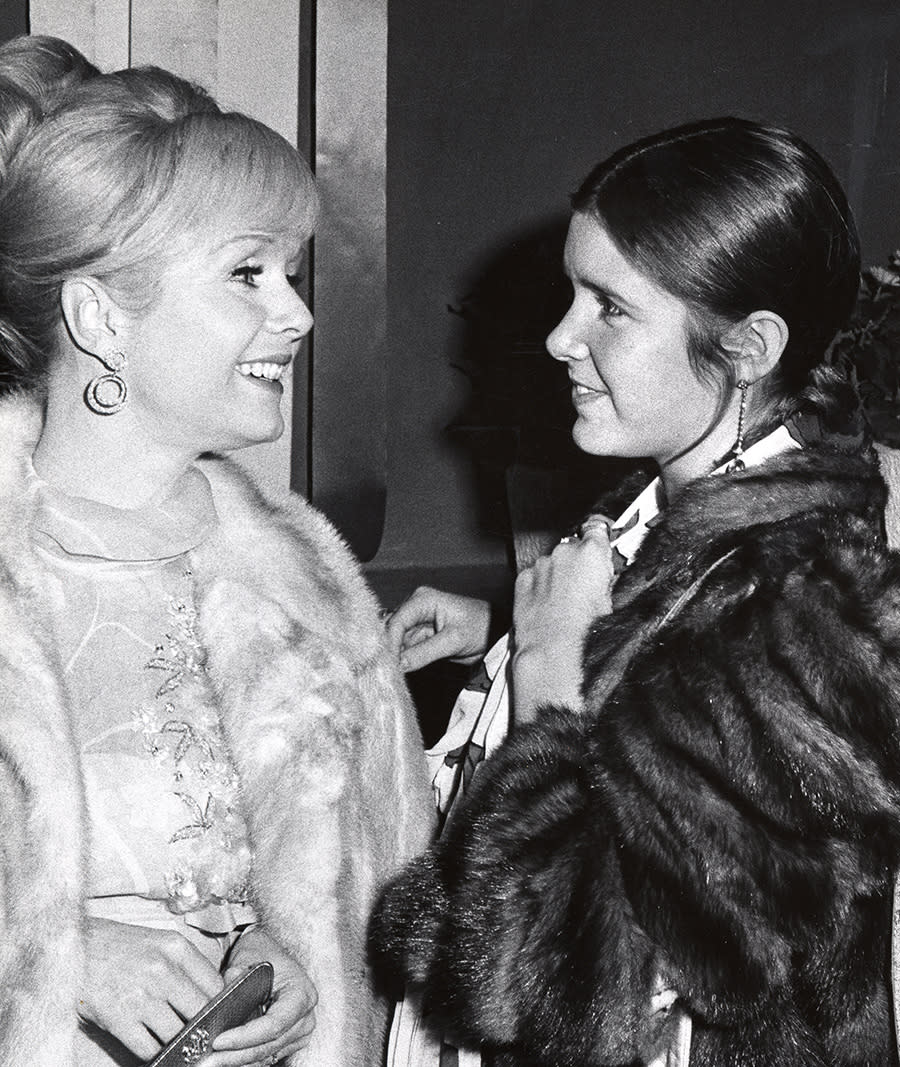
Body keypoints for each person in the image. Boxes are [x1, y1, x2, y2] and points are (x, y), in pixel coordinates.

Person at [373, 117, 900, 1066]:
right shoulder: (695, 495)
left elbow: (575, 1007)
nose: (559, 336)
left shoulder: (802, 612)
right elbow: (680, 690)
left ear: (747, 348)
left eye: (609, 307)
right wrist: (499, 638)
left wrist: (548, 676)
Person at [0, 36, 433, 1067]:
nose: (298, 312)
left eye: (291, 270)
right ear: (103, 314)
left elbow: (393, 891)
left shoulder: (306, 575)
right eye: (249, 272)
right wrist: (56, 950)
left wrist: (300, 959)